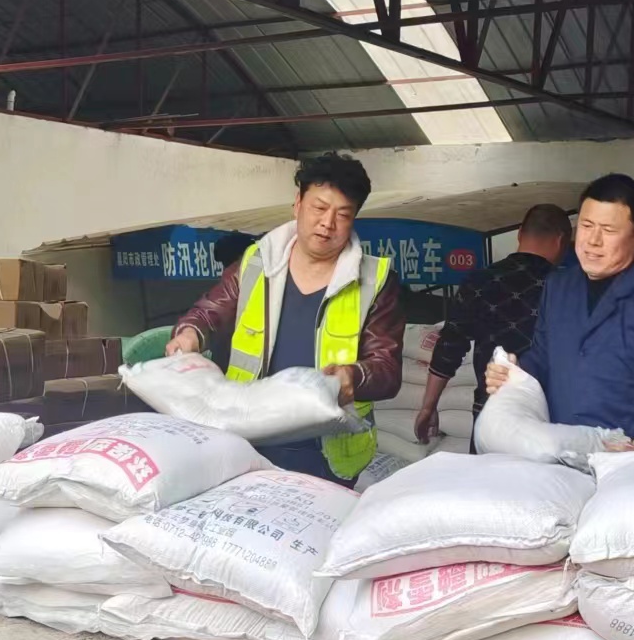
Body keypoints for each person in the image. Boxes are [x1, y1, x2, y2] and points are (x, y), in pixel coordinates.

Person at [167, 152, 404, 484]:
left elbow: (388, 369)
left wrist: (355, 376)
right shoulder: (256, 262)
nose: (327, 223)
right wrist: (190, 333)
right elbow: (211, 310)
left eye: (343, 214)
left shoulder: (375, 280)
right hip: (248, 438)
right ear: (298, 204)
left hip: (326, 451)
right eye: (319, 208)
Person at [486, 173, 634, 453]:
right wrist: (514, 370)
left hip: (633, 463)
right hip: (564, 456)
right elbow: (545, 358)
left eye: (608, 230)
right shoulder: (559, 287)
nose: (593, 241)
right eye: (586, 226)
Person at [415, 204, 572, 449]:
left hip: (490, 414)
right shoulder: (567, 288)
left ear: (519, 234)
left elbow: (449, 347)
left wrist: (428, 406)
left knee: (486, 474)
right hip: (548, 419)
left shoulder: (479, 281)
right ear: (562, 241)